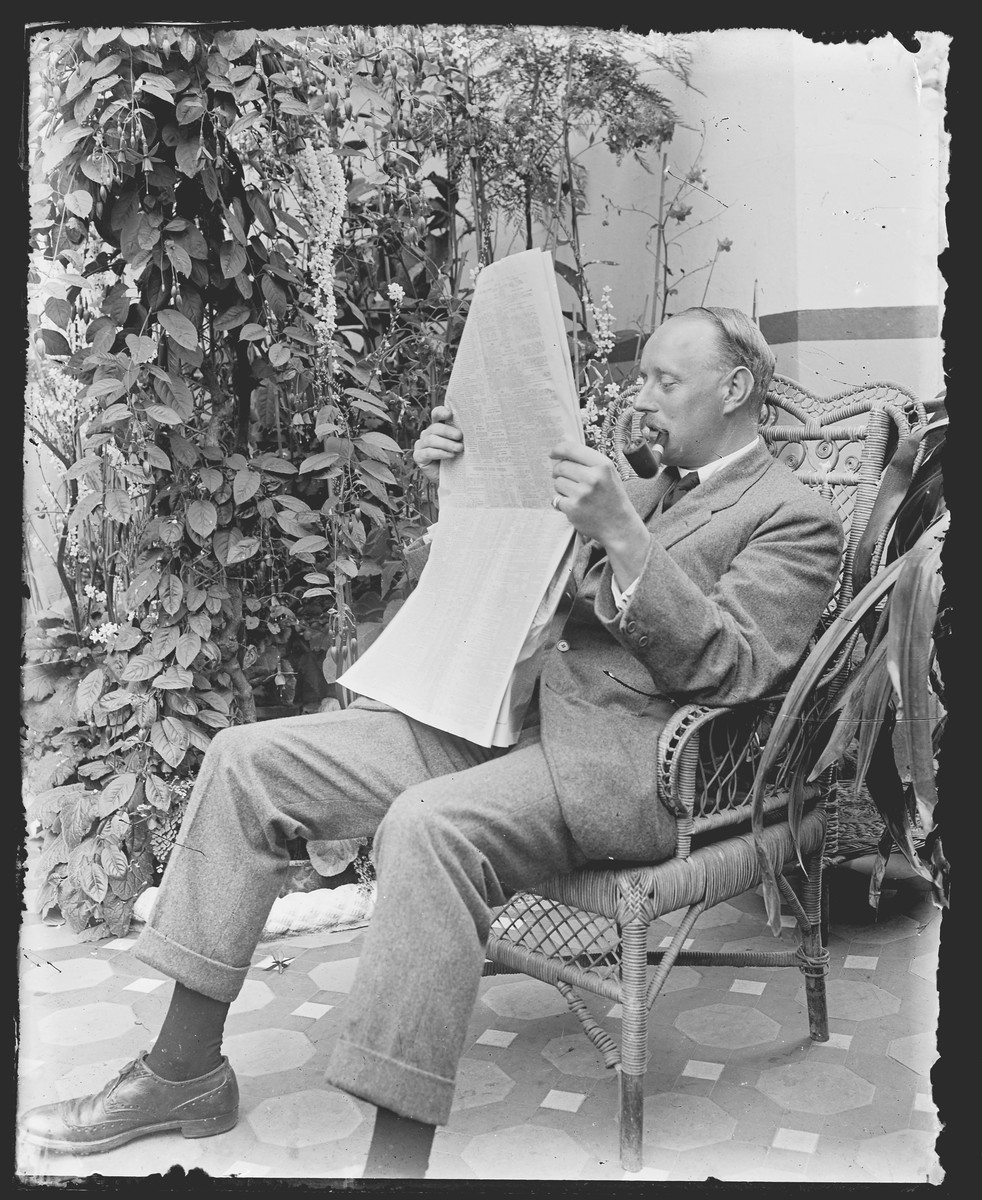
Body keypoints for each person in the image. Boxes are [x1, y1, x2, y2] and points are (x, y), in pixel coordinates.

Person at [19, 306, 844, 1177]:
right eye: (639, 378)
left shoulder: (794, 517)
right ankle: (182, 1071)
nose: (641, 400)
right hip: (502, 716)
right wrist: (461, 485)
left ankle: (393, 1169)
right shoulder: (637, 488)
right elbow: (497, 581)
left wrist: (623, 537)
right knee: (247, 761)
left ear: (736, 387)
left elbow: (734, 668)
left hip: (619, 763)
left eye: (665, 382)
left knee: (428, 826)